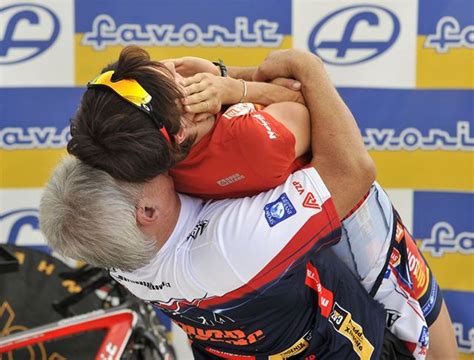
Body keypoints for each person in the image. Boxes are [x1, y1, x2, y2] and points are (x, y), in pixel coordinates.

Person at [66, 46, 458, 359]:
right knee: (426, 321)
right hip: (351, 224)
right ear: (184, 122)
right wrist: (237, 81)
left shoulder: (141, 167)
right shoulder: (248, 140)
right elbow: (304, 100)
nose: (176, 69)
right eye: (172, 79)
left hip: (294, 246)